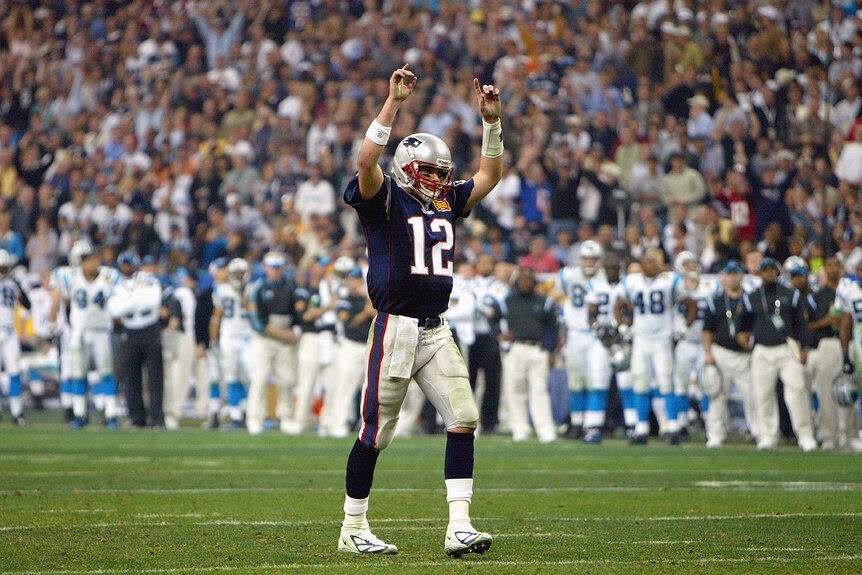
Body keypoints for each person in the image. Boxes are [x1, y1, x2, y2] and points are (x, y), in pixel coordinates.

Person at [338, 65, 502, 557]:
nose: (437, 179)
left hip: (436, 330)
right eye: (428, 170)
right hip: (395, 328)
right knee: (376, 433)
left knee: (464, 417)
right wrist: (393, 102)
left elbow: (490, 174)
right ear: (408, 167)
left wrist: (491, 123)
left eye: (441, 172)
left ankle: (459, 526)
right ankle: (353, 526)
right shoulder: (384, 196)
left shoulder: (447, 200)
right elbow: (367, 159)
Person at [735, 258, 817, 451]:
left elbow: (801, 324)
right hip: (762, 349)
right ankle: (767, 435)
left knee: (796, 391)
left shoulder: (791, 294)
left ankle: (805, 434)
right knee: (763, 394)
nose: (769, 274)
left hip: (786, 347)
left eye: (773, 270)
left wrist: (804, 347)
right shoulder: (752, 297)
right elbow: (741, 325)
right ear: (760, 273)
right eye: (765, 270)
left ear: (778, 273)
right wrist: (744, 340)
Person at [615, 248, 696, 445]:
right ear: (642, 265)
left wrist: (684, 327)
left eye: (655, 262)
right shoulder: (632, 282)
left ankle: (673, 427)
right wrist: (623, 325)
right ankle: (641, 428)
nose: (652, 265)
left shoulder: (670, 281)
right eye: (648, 262)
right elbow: (618, 305)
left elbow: (691, 305)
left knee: (666, 382)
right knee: (640, 382)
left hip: (663, 339)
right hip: (641, 339)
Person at [50, 241, 120, 428]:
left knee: (106, 373)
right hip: (80, 331)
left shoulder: (108, 277)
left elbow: (119, 299)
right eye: (88, 261)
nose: (92, 264)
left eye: (94, 260)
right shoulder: (70, 277)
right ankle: (80, 414)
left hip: (101, 331)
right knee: (78, 374)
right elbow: (61, 297)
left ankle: (111, 414)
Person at [553, 240, 612, 442]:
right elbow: (553, 296)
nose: (589, 262)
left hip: (598, 336)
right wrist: (562, 317)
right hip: (575, 333)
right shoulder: (568, 275)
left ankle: (594, 425)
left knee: (597, 380)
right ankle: (578, 424)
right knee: (576, 382)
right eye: (586, 258)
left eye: (593, 258)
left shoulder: (607, 278)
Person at [703, 261, 761, 448]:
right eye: (730, 274)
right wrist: (708, 353)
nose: (733, 277)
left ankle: (759, 432)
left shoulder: (751, 300)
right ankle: (716, 434)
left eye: (737, 273)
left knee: (752, 396)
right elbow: (707, 330)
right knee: (717, 396)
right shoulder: (716, 300)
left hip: (745, 355)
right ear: (724, 277)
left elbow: (758, 326)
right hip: (721, 352)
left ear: (742, 276)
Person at [502, 266, 560, 444]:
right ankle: (520, 429)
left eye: (528, 279)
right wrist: (499, 335)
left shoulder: (544, 301)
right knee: (515, 391)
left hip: (538, 350)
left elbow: (553, 328)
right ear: (516, 282)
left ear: (534, 281)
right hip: (515, 348)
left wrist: (552, 350)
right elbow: (494, 318)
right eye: (522, 279)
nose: (525, 282)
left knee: (540, 390)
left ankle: (545, 430)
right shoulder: (507, 301)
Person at [107, 251, 164, 428]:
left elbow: (153, 301)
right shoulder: (115, 283)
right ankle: (136, 417)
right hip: (130, 330)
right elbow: (114, 310)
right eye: (124, 264)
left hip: (149, 328)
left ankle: (156, 417)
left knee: (155, 377)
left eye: (129, 263)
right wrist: (136, 300)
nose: (126, 267)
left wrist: (127, 303)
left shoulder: (149, 279)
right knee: (131, 377)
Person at [246, 252, 300, 435]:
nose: (276, 271)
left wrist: (294, 330)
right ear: (265, 268)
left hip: (285, 336)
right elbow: (258, 323)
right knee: (259, 378)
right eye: (273, 267)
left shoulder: (290, 285)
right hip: (265, 339)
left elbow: (296, 312)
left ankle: (285, 416)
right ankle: (255, 417)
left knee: (286, 380)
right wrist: (285, 335)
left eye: (279, 267)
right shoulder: (258, 287)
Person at [671, 251, 719, 438]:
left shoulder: (710, 287)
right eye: (688, 264)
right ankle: (682, 423)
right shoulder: (674, 287)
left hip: (703, 343)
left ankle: (710, 424)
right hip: (683, 342)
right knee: (680, 385)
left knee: (706, 384)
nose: (692, 267)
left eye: (694, 263)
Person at [210, 257, 253, 430]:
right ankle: (235, 414)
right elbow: (217, 316)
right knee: (231, 375)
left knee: (251, 376)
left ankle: (247, 411)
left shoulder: (250, 289)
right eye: (237, 273)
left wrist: (242, 293)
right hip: (228, 336)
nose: (239, 276)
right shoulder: (222, 290)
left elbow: (251, 309)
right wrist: (213, 340)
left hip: (247, 336)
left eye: (242, 273)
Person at [468, 254, 506, 435]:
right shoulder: (467, 285)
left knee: (492, 382)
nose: (484, 265)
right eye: (481, 261)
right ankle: (467, 420)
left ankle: (489, 422)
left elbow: (501, 311)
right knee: (469, 381)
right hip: (470, 337)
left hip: (490, 337)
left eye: (488, 262)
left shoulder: (499, 287)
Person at [0, 250, 30, 424]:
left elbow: (27, 303)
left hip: (9, 331)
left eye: (5, 268)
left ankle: (16, 411)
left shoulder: (13, 283)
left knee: (14, 372)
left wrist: (17, 285)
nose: (3, 271)